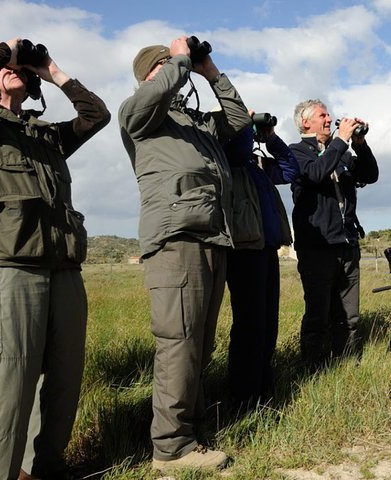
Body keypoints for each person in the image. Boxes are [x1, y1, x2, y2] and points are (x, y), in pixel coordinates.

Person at [0, 37, 110, 480]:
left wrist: (51, 69)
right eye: (7, 69)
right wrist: (8, 49)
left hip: (63, 272)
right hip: (4, 273)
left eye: (22, 67)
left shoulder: (47, 136)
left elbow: (97, 115)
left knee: (61, 384)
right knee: (5, 392)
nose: (15, 68)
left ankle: (40, 471)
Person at [118, 36, 251, 472]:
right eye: (170, 66)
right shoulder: (140, 115)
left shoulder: (196, 126)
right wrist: (176, 60)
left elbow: (237, 120)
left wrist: (210, 71)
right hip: (174, 240)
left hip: (212, 238)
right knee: (178, 343)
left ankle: (189, 434)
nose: (181, 68)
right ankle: (170, 448)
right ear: (152, 75)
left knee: (199, 344)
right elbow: (150, 97)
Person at [289, 99, 378, 371]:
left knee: (349, 316)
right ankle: (313, 371)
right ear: (306, 122)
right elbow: (315, 174)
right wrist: (341, 141)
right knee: (318, 316)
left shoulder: (338, 152)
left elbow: (370, 175)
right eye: (322, 115)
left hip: (347, 243)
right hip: (317, 246)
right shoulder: (295, 152)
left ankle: (348, 367)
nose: (329, 119)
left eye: (329, 115)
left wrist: (360, 145)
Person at [224, 112, 299, 410]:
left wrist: (271, 139)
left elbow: (291, 170)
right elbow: (238, 147)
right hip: (243, 249)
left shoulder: (256, 166)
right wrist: (244, 120)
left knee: (267, 323)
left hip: (266, 247)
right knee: (250, 324)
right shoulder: (229, 159)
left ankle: (264, 390)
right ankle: (243, 396)